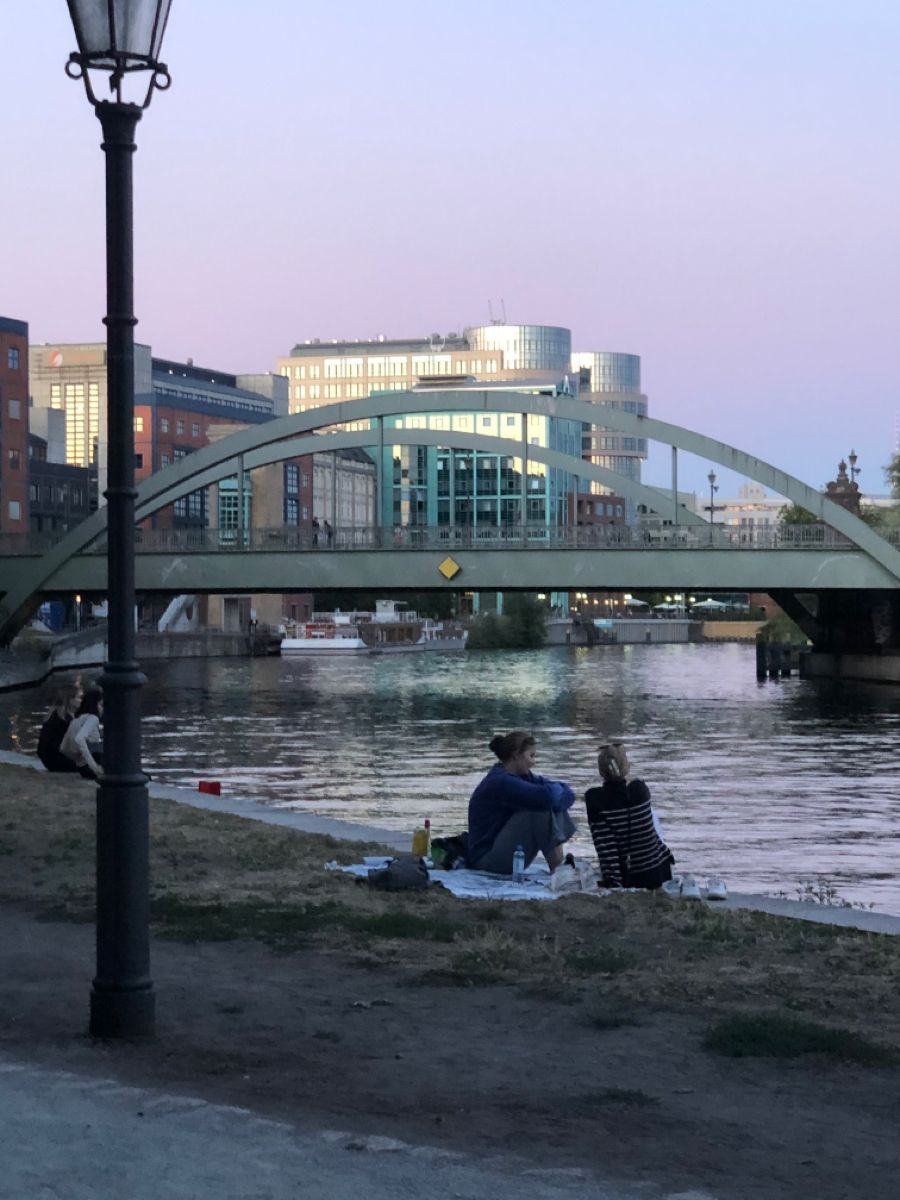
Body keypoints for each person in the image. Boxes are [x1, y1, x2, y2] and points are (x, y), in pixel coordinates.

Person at [467, 731, 576, 875]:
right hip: (486, 860)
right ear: (516, 755)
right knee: (540, 808)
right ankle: (559, 872)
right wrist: (555, 794)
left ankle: (560, 868)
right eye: (531, 756)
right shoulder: (500, 781)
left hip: (507, 853)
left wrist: (556, 795)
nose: (533, 762)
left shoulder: (525, 777)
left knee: (552, 802)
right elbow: (547, 797)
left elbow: (569, 793)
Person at [584, 743, 674, 889]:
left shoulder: (595, 800)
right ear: (626, 766)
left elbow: (606, 847)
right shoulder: (640, 790)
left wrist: (613, 883)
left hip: (630, 878)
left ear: (601, 771)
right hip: (660, 871)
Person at [60, 688, 104, 780]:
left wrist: (77, 757)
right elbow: (79, 739)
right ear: (94, 705)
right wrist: (94, 766)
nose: (102, 708)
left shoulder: (76, 720)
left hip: (82, 769)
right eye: (100, 704)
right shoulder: (93, 718)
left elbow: (63, 748)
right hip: (91, 768)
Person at [37, 684, 82, 773]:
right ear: (70, 700)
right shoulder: (64, 719)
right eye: (79, 697)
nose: (82, 700)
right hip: (59, 759)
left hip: (49, 759)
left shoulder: (55, 713)